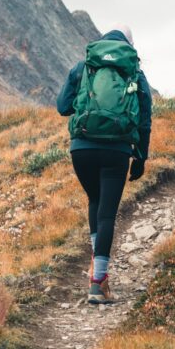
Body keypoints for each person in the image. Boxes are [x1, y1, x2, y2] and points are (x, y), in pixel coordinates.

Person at [56, 25, 152, 304]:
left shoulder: (83, 66)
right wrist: (140, 157)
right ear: (129, 45)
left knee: (94, 202)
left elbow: (63, 107)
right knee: (107, 213)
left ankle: (97, 273)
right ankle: (98, 283)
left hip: (82, 149)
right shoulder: (134, 71)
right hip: (117, 152)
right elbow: (145, 119)